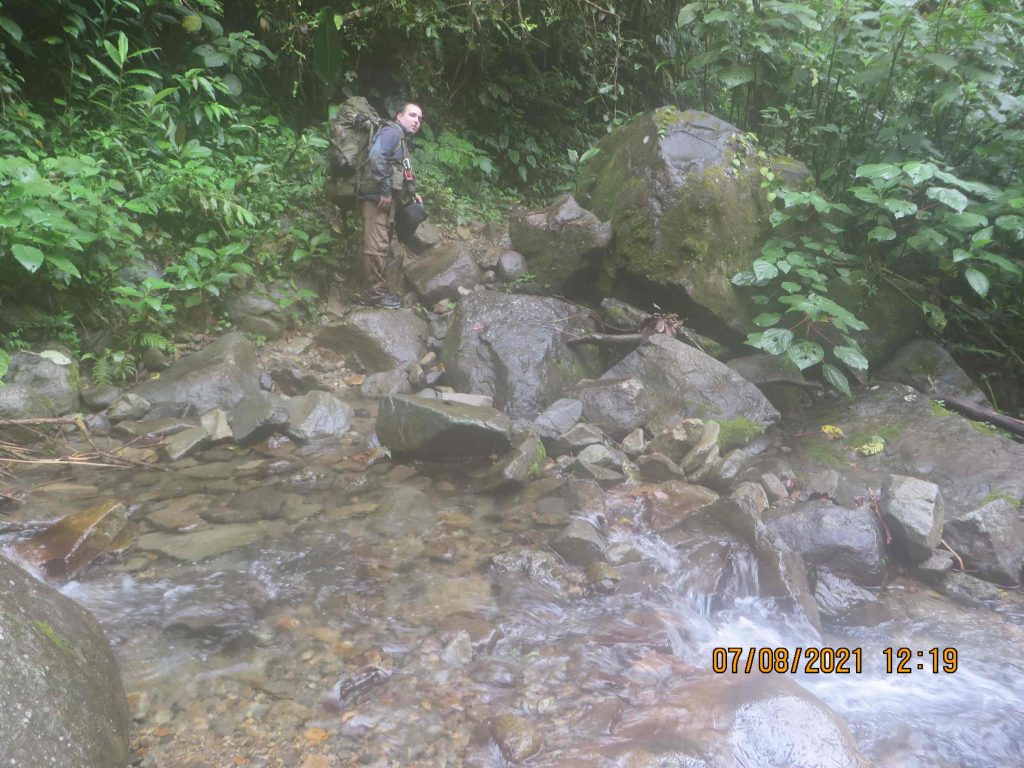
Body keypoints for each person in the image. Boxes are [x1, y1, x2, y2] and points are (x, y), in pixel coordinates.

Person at [358, 102, 423, 308]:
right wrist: (385, 191)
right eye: (412, 115)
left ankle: (378, 290)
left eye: (420, 118)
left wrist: (411, 194)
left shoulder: (401, 139)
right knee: (376, 246)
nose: (416, 121)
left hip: (387, 199)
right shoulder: (391, 133)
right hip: (377, 198)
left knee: (383, 244)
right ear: (399, 117)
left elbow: (399, 171)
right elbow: (376, 158)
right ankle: (374, 295)